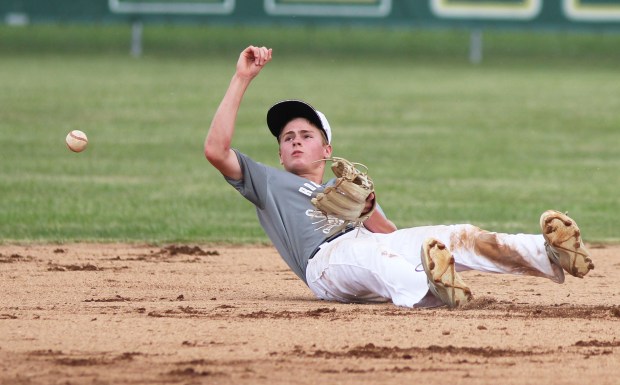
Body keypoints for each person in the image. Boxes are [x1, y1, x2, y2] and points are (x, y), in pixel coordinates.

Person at [204, 45, 595, 308]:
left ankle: (547, 254)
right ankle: (433, 289)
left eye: (306, 135)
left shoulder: (345, 188)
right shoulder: (268, 182)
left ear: (327, 151)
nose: (294, 142)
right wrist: (243, 78)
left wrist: (368, 209)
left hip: (365, 244)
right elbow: (216, 151)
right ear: (279, 153)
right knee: (377, 260)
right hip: (323, 264)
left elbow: (388, 234)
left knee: (452, 235)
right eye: (287, 138)